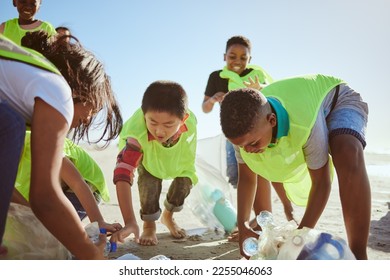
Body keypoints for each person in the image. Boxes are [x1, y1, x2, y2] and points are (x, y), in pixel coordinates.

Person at [219, 74, 370, 260]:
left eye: (252, 143)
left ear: (272, 120)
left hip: (338, 101)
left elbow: (321, 183)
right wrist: (242, 225)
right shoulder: (245, 131)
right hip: (292, 114)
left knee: (346, 150)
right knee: (260, 157)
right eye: (241, 146)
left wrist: (299, 236)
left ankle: (359, 255)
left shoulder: (303, 124)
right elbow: (248, 179)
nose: (247, 150)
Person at [0, 31, 123, 259]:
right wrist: (92, 257)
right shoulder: (60, 93)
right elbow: (45, 197)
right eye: (92, 110)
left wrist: (35, 223)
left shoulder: (22, 90)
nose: (87, 120)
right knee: (10, 125)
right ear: (80, 91)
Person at [202, 35, 296, 224]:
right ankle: (255, 217)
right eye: (232, 56)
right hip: (234, 135)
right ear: (224, 56)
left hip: (258, 130)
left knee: (260, 169)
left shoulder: (256, 74)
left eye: (243, 57)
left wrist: (259, 88)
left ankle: (263, 216)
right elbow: (205, 107)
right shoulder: (217, 77)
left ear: (250, 59)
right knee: (237, 175)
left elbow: (275, 95)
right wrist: (213, 99)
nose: (237, 61)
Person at [111, 81, 198, 246]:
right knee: (149, 182)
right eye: (152, 122)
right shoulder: (137, 134)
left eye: (168, 125)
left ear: (183, 119)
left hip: (176, 157)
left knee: (184, 183)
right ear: (144, 115)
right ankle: (149, 225)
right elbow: (123, 173)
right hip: (149, 156)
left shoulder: (191, 121)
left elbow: (190, 153)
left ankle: (168, 217)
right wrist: (130, 221)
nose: (159, 131)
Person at [11, 131, 122, 233]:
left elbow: (77, 183)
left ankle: (77, 231)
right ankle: (74, 228)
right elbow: (24, 208)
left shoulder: (40, 143)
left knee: (53, 233)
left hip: (84, 187)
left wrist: (98, 221)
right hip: (53, 189)